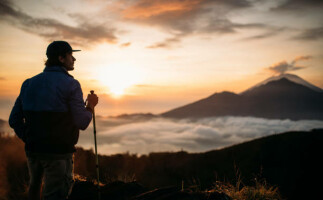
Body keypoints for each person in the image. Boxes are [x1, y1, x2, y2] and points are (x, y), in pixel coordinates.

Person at [8, 41, 98, 200]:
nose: (74, 59)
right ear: (61, 58)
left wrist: (30, 138)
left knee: (34, 188)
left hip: (33, 151)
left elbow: (14, 120)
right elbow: (82, 122)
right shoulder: (71, 85)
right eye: (71, 55)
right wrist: (90, 105)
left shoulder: (28, 83)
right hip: (58, 154)